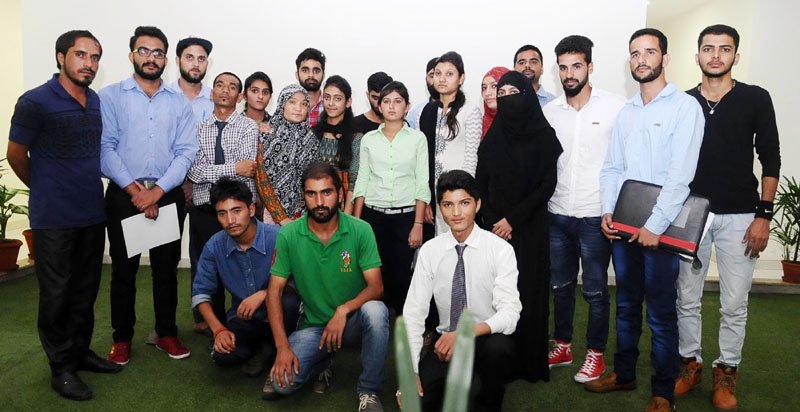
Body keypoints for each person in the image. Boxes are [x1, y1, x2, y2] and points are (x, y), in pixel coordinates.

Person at [587, 28, 705, 412]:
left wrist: (653, 226)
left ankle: (663, 393)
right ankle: (623, 375)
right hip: (623, 229)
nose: (641, 59)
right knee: (626, 306)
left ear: (665, 59)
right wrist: (609, 211)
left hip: (661, 229)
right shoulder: (627, 112)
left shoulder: (685, 108)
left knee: (660, 313)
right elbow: (613, 168)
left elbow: (680, 176)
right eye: (635, 53)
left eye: (649, 52)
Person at [7, 29, 120, 401]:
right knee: (56, 293)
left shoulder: (96, 101)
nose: (89, 63)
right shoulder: (35, 101)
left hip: (91, 211)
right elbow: (16, 154)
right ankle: (61, 367)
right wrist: (44, 187)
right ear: (61, 57)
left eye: (95, 57)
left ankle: (80, 352)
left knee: (85, 290)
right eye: (81, 55)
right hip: (53, 217)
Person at [675, 24, 781, 411]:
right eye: (708, 48)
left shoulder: (755, 98)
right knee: (686, 297)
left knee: (735, 303)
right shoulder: (683, 102)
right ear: (697, 55)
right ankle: (690, 364)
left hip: (741, 216)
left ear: (736, 56)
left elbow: (771, 158)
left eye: (724, 49)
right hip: (691, 213)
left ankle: (726, 372)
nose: (715, 55)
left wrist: (763, 216)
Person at [100, 25, 198, 365]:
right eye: (144, 50)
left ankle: (166, 333)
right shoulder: (111, 97)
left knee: (165, 268)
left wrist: (156, 192)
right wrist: (135, 191)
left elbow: (186, 152)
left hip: (166, 191)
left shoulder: (179, 103)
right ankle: (122, 338)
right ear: (131, 55)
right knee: (123, 271)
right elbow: (106, 148)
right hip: (123, 193)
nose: (151, 58)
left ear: (166, 60)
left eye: (157, 53)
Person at [266, 162, 389, 412]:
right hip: (316, 327)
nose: (319, 201)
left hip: (353, 321)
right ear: (304, 197)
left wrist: (343, 311)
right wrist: (282, 348)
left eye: (327, 192)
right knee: (283, 385)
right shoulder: (289, 234)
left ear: (340, 194)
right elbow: (274, 292)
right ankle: (324, 360)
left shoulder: (360, 230)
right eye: (311, 194)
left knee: (377, 311)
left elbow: (376, 287)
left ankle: (368, 391)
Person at [542, 35, 626, 383]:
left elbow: (623, 164)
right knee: (560, 286)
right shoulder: (550, 112)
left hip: (595, 215)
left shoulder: (615, 107)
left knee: (594, 290)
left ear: (590, 66)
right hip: (557, 213)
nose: (569, 73)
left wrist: (614, 210)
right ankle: (563, 345)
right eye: (563, 67)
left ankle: (595, 354)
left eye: (576, 66)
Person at [403, 170, 521, 412]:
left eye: (464, 203)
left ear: (477, 205)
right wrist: (410, 373)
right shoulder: (430, 252)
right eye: (448, 204)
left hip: (485, 338)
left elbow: (510, 313)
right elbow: (413, 315)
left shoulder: (499, 250)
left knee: (500, 350)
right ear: (440, 208)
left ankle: (488, 400)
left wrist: (465, 334)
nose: (456, 213)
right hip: (447, 340)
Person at [475, 70, 562, 383]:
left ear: (528, 94)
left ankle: (528, 363)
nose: (508, 97)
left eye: (515, 91)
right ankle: (498, 360)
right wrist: (494, 220)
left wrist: (512, 219)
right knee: (497, 294)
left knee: (528, 292)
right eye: (503, 92)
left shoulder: (544, 136)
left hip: (529, 230)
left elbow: (546, 186)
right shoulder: (493, 137)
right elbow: (480, 184)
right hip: (494, 230)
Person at [191, 178, 300, 376]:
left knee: (289, 301)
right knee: (221, 355)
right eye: (222, 214)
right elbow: (200, 294)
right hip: (246, 318)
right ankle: (263, 347)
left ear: (250, 210)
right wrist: (218, 330)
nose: (230, 220)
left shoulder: (278, 237)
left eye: (236, 211)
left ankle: (275, 347)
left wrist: (265, 294)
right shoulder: (214, 246)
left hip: (285, 314)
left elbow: (301, 280)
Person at [186, 71, 260, 335]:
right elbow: (194, 171)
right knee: (205, 266)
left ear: (240, 97)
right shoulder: (197, 129)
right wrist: (231, 168)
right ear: (211, 92)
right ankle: (210, 322)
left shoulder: (248, 127)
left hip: (238, 214)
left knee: (241, 267)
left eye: (232, 87)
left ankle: (240, 324)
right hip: (204, 210)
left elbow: (247, 168)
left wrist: (216, 169)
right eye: (219, 85)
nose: (225, 90)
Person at [353, 81, 430, 315]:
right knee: (375, 269)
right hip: (372, 215)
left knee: (400, 272)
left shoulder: (418, 139)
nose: (392, 106)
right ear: (379, 105)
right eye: (386, 101)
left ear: (407, 106)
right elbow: (362, 179)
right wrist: (356, 222)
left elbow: (422, 182)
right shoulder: (368, 140)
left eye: (398, 101)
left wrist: (418, 224)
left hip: (405, 216)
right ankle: (378, 316)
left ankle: (402, 318)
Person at [419, 51, 482, 236]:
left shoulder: (470, 111)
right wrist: (427, 201)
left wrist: (462, 199)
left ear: (461, 78)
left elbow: (471, 160)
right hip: (433, 196)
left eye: (449, 74)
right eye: (438, 73)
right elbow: (423, 159)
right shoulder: (429, 111)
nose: (442, 79)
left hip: (457, 196)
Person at [255, 84, 320, 225]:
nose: (299, 108)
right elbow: (262, 180)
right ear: (282, 104)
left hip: (305, 215)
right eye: (292, 102)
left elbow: (313, 180)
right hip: (271, 214)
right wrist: (281, 218)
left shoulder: (312, 140)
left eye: (304, 104)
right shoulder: (266, 136)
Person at [314, 75, 361, 214]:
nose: (331, 103)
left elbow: (354, 181)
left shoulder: (356, 137)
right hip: (314, 204)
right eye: (327, 97)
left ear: (348, 102)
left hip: (343, 207)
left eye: (338, 98)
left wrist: (347, 213)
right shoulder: (313, 134)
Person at [167, 36, 214, 122]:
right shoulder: (164, 95)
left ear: (207, 64)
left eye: (201, 59)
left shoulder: (214, 99)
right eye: (189, 57)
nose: (196, 64)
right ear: (178, 61)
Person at [295, 47, 326, 127]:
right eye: (305, 70)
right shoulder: (287, 105)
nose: (311, 75)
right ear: (297, 75)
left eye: (316, 71)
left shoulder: (330, 106)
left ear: (323, 75)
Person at [408, 57, 440, 129]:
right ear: (426, 80)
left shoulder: (462, 110)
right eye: (432, 76)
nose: (435, 80)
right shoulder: (416, 113)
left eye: (438, 74)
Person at [480, 66, 510, 140]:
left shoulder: (523, 122)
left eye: (494, 86)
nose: (487, 93)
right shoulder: (478, 125)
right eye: (484, 88)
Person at [242, 71, 274, 135]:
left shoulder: (276, 125)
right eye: (254, 91)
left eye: (265, 92)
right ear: (245, 95)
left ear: (270, 97)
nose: (260, 96)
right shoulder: (235, 124)